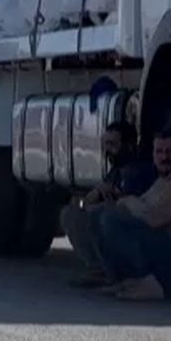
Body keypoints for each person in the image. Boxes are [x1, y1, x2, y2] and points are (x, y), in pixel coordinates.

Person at [95, 128, 171, 300]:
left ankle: (142, 280)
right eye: (159, 152)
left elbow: (153, 217)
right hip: (169, 257)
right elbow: (142, 204)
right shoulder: (165, 180)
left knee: (112, 220)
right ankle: (115, 277)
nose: (164, 157)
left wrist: (128, 201)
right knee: (102, 213)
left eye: (170, 152)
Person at [61, 121, 157, 287]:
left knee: (100, 214)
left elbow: (131, 207)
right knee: (71, 213)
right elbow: (87, 202)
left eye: (112, 144)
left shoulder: (139, 170)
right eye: (105, 145)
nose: (107, 150)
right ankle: (98, 269)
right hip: (115, 223)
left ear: (128, 146)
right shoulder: (116, 171)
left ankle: (118, 271)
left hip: (140, 233)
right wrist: (90, 197)